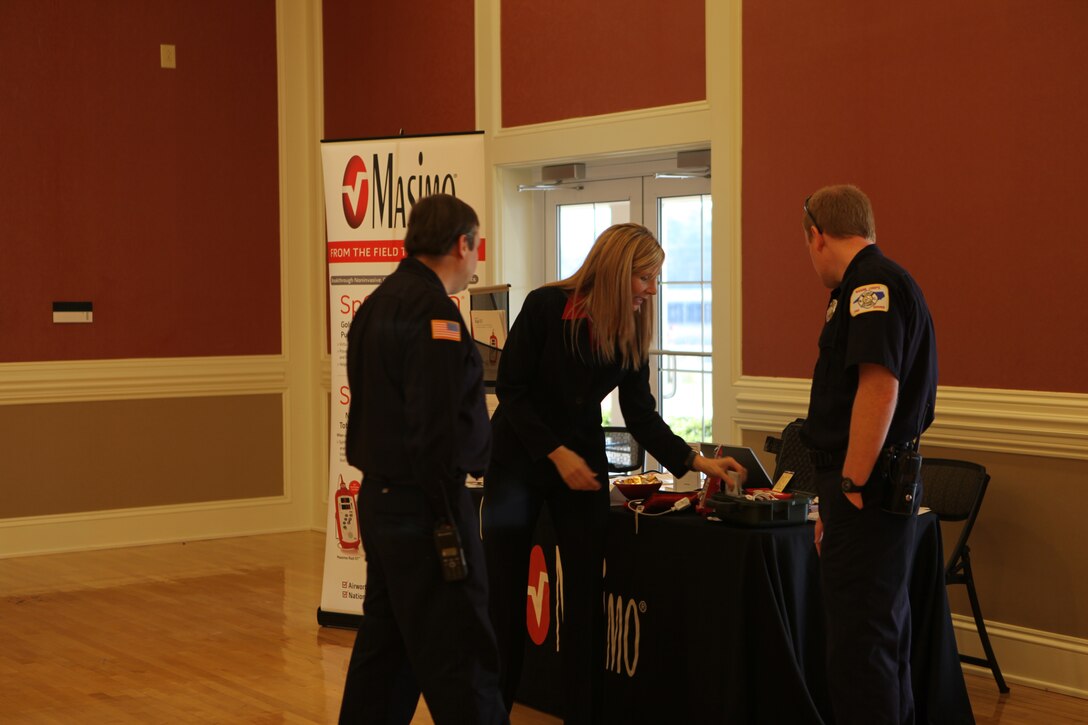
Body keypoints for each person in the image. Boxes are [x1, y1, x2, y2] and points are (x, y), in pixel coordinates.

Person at [482, 222, 746, 724]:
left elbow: (641, 414)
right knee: (506, 598)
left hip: (582, 464)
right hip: (519, 458)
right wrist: (555, 454)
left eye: (656, 279)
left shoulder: (632, 328)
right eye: (645, 277)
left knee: (585, 601)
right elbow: (511, 391)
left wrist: (696, 460)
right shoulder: (544, 307)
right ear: (617, 270)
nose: (653, 289)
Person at [338, 194, 508, 725]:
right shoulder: (437, 317)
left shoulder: (374, 306)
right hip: (427, 509)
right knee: (462, 657)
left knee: (386, 656)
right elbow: (435, 430)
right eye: (476, 247)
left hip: (383, 502)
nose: (476, 261)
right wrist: (446, 523)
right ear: (462, 244)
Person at [800, 185, 938, 724]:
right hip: (872, 488)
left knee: (861, 651)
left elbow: (879, 389)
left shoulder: (870, 286)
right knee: (881, 640)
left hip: (868, 488)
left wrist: (850, 484)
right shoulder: (876, 282)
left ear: (816, 234)